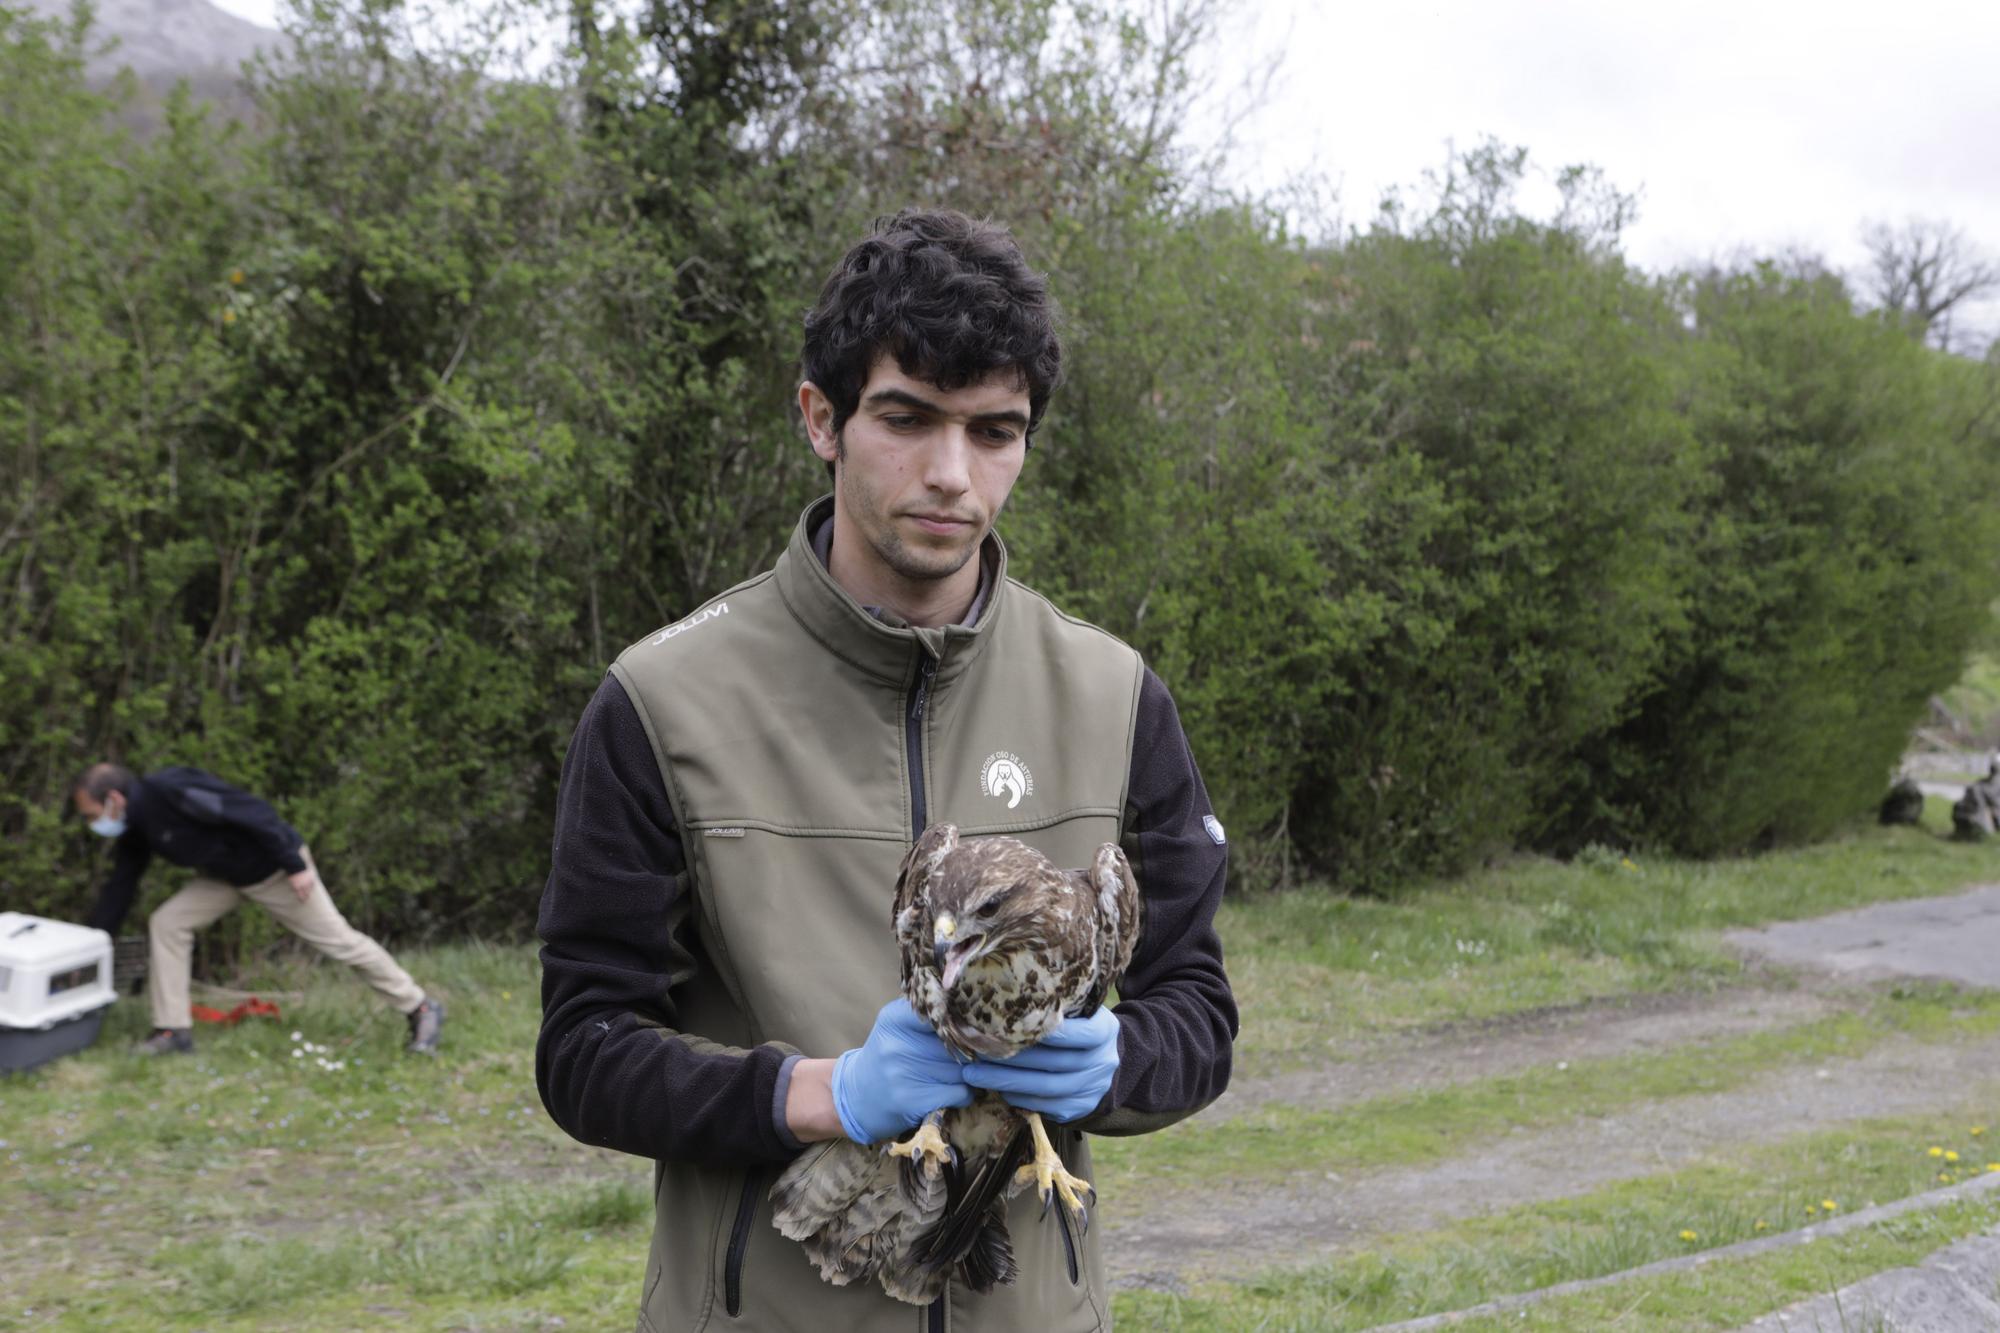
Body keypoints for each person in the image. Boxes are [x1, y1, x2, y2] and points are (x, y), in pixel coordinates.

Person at [536, 209, 1237, 1332]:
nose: (950, 473)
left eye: (993, 432)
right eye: (907, 419)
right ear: (821, 417)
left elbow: (1196, 1014)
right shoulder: (663, 702)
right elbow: (583, 1051)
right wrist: (815, 1092)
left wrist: (1112, 1067)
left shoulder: (1113, 696)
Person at [73, 762, 446, 1056]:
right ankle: (172, 1032)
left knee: (338, 941)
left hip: (276, 870)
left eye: (92, 815)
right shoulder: (136, 827)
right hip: (227, 878)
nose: (93, 824)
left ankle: (420, 1008)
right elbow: (121, 885)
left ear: (114, 799)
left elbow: (254, 813)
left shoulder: (172, 790)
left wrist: (295, 866)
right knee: (167, 923)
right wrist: (95, 940)